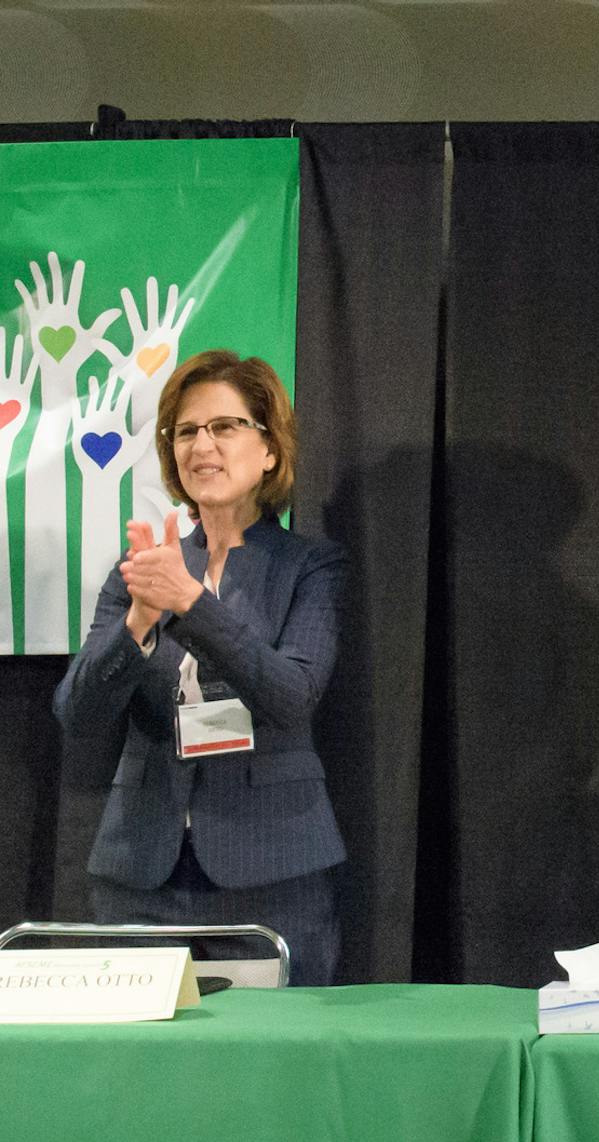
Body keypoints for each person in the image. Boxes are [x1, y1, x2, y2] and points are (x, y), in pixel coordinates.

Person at [54, 350, 348, 985]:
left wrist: (188, 601)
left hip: (272, 872)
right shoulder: (141, 570)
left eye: (224, 426)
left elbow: (292, 697)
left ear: (269, 450)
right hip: (140, 876)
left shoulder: (309, 568)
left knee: (269, 1071)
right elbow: (79, 715)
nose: (201, 445)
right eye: (185, 431)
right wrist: (138, 619)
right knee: (145, 1076)